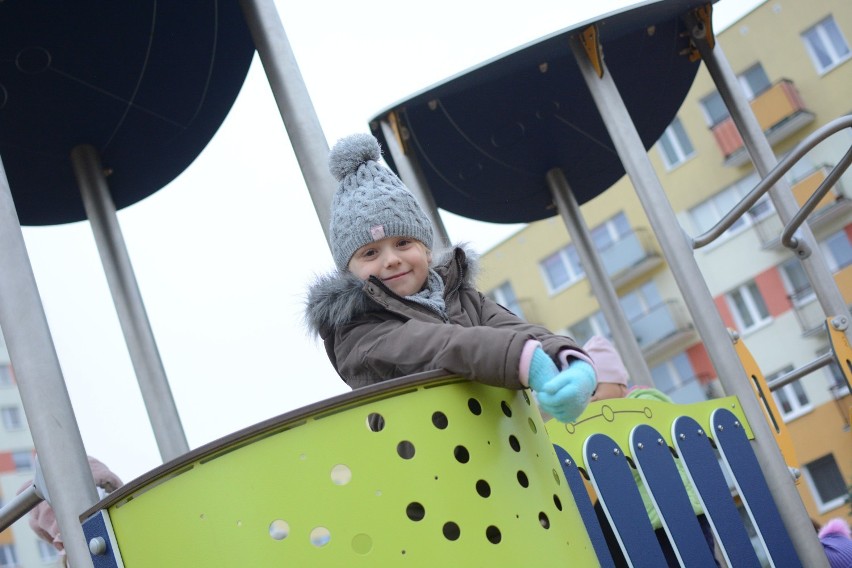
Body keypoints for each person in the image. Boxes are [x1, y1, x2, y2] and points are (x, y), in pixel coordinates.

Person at [305, 133, 596, 423]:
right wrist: (524, 357)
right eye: (370, 253)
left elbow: (516, 329)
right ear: (350, 272)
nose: (391, 259)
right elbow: (436, 345)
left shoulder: (464, 298)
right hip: (429, 460)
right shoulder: (358, 330)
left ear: (427, 251)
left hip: (503, 450)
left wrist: (568, 361)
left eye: (403, 243)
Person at [582, 336, 720, 567]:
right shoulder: (600, 430)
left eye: (595, 390)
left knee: (698, 560)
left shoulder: (642, 403)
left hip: (679, 511)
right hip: (647, 523)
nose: (592, 399)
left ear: (619, 383)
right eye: (585, 396)